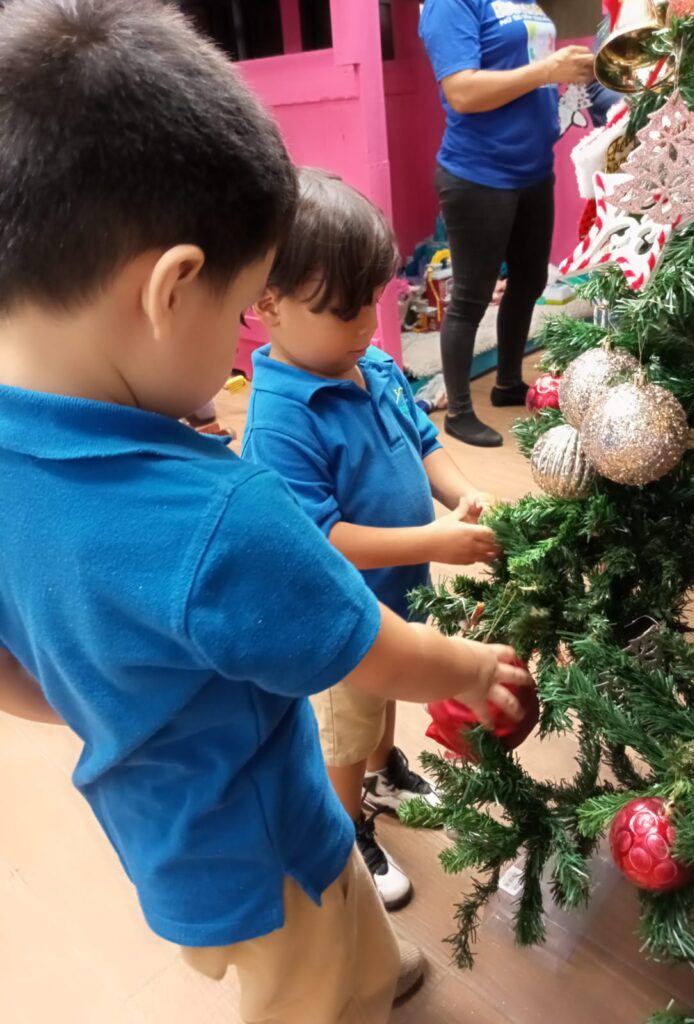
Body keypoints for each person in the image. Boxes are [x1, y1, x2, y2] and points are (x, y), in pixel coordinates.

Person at [0, 3, 534, 1023]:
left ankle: (366, 959)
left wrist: (107, 697)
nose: (241, 346)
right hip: (265, 841)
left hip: (167, 830)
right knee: (310, 989)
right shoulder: (218, 512)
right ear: (172, 289)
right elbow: (369, 649)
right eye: (242, 308)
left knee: (328, 936)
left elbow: (16, 672)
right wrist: (473, 669)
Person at [241, 169, 503, 912]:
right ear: (269, 303)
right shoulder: (279, 420)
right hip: (336, 617)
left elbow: (425, 439)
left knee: (387, 695)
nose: (365, 325)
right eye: (343, 309)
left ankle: (386, 775)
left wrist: (463, 494)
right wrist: (432, 540)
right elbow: (322, 538)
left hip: (396, 591)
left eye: (371, 301)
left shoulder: (373, 364)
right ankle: (347, 826)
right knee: (346, 729)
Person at [419, 0, 594, 447]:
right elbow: (462, 90)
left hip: (533, 170)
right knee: (471, 297)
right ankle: (458, 412)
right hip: (478, 174)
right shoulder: (450, 4)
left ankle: (508, 383)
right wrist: (548, 70)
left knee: (529, 280)